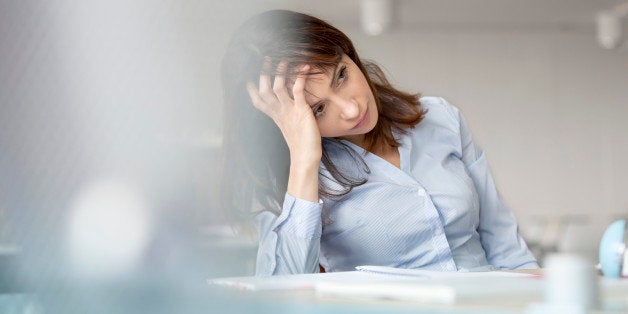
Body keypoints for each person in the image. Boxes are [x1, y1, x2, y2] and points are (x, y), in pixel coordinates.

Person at [220, 9, 538, 276]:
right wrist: (304, 159)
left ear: (349, 53)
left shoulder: (440, 118)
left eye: (341, 76)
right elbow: (280, 294)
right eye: (317, 109)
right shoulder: (286, 179)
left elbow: (505, 246)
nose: (352, 108)